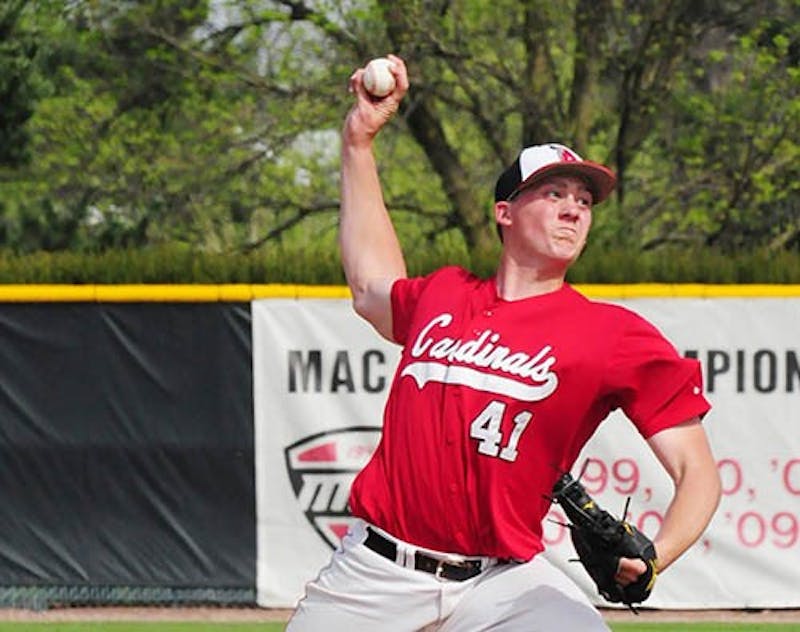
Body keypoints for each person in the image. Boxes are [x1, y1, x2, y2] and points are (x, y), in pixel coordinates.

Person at [286, 54, 721, 631]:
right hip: (376, 572)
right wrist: (358, 144)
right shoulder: (443, 295)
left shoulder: (612, 335)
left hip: (505, 580)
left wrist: (655, 557)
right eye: (554, 192)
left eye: (585, 200)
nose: (574, 208)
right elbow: (370, 286)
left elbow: (699, 473)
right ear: (505, 213)